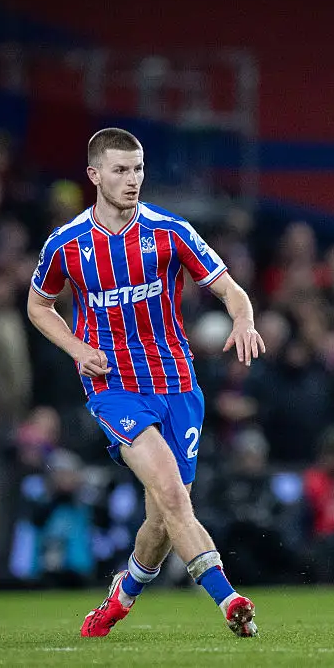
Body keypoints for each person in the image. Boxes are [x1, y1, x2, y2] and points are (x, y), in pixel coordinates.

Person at [26, 128, 265, 639]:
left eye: (137, 169)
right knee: (176, 498)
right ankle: (229, 600)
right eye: (119, 170)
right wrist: (76, 348)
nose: (131, 180)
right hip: (114, 388)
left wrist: (242, 320)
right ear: (94, 175)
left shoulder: (169, 231)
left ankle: (121, 597)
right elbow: (37, 306)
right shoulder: (67, 244)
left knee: (161, 516)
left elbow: (231, 289)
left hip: (178, 385)